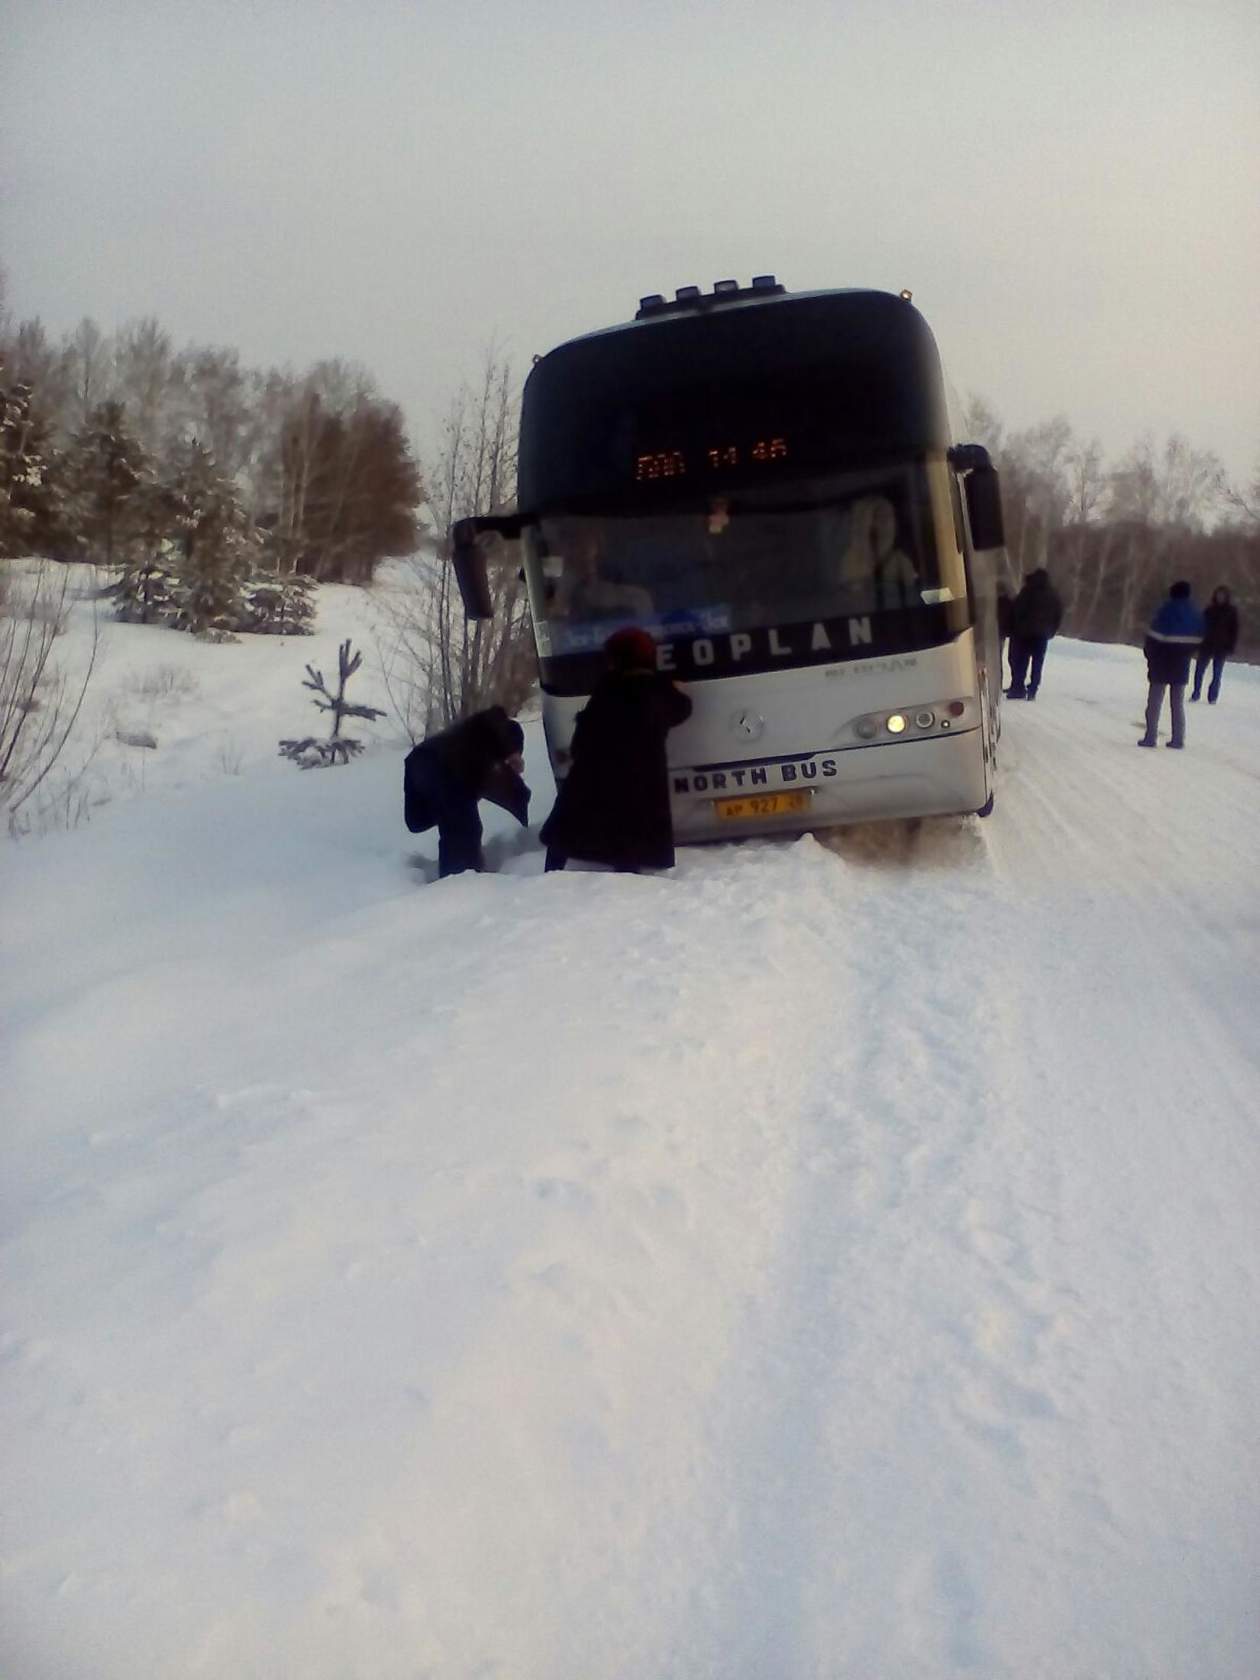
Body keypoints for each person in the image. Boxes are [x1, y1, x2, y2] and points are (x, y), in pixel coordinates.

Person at [540, 626, 692, 873]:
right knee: (630, 840)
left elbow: (582, 737)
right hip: (638, 780)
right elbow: (681, 709)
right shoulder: (655, 687)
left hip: (593, 774)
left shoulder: (606, 688)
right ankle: (627, 884)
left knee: (566, 830)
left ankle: (550, 874)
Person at [404, 707, 530, 878]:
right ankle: (461, 883)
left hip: (419, 761)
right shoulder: (485, 739)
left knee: (440, 820)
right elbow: (505, 787)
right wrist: (514, 757)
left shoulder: (474, 738)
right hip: (439, 766)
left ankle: (462, 876)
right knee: (464, 827)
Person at [1138, 581, 1205, 750]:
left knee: (1155, 700)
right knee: (1177, 703)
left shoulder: (1165, 610)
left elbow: (1152, 636)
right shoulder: (1195, 614)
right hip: (1182, 661)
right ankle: (1178, 738)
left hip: (1161, 660)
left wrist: (1150, 655)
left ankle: (1150, 736)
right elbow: (1201, 638)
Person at [1006, 567, 1064, 699]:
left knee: (1021, 661)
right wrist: (1052, 630)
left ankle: (1018, 688)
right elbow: (1058, 614)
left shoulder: (1027, 591)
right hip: (1042, 635)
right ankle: (1033, 689)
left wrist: (1015, 627)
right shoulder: (1053, 595)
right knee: (1038, 663)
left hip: (1024, 633)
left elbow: (1017, 610)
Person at [1191, 585, 1240, 704]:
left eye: (1222, 595)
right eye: (1218, 595)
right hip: (1206, 644)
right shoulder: (1209, 609)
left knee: (1217, 673)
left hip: (1222, 646)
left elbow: (1234, 630)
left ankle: (1213, 696)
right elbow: (1200, 626)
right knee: (1199, 670)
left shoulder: (1231, 611)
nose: (1220, 597)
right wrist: (1197, 642)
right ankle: (1196, 693)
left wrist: (1231, 646)